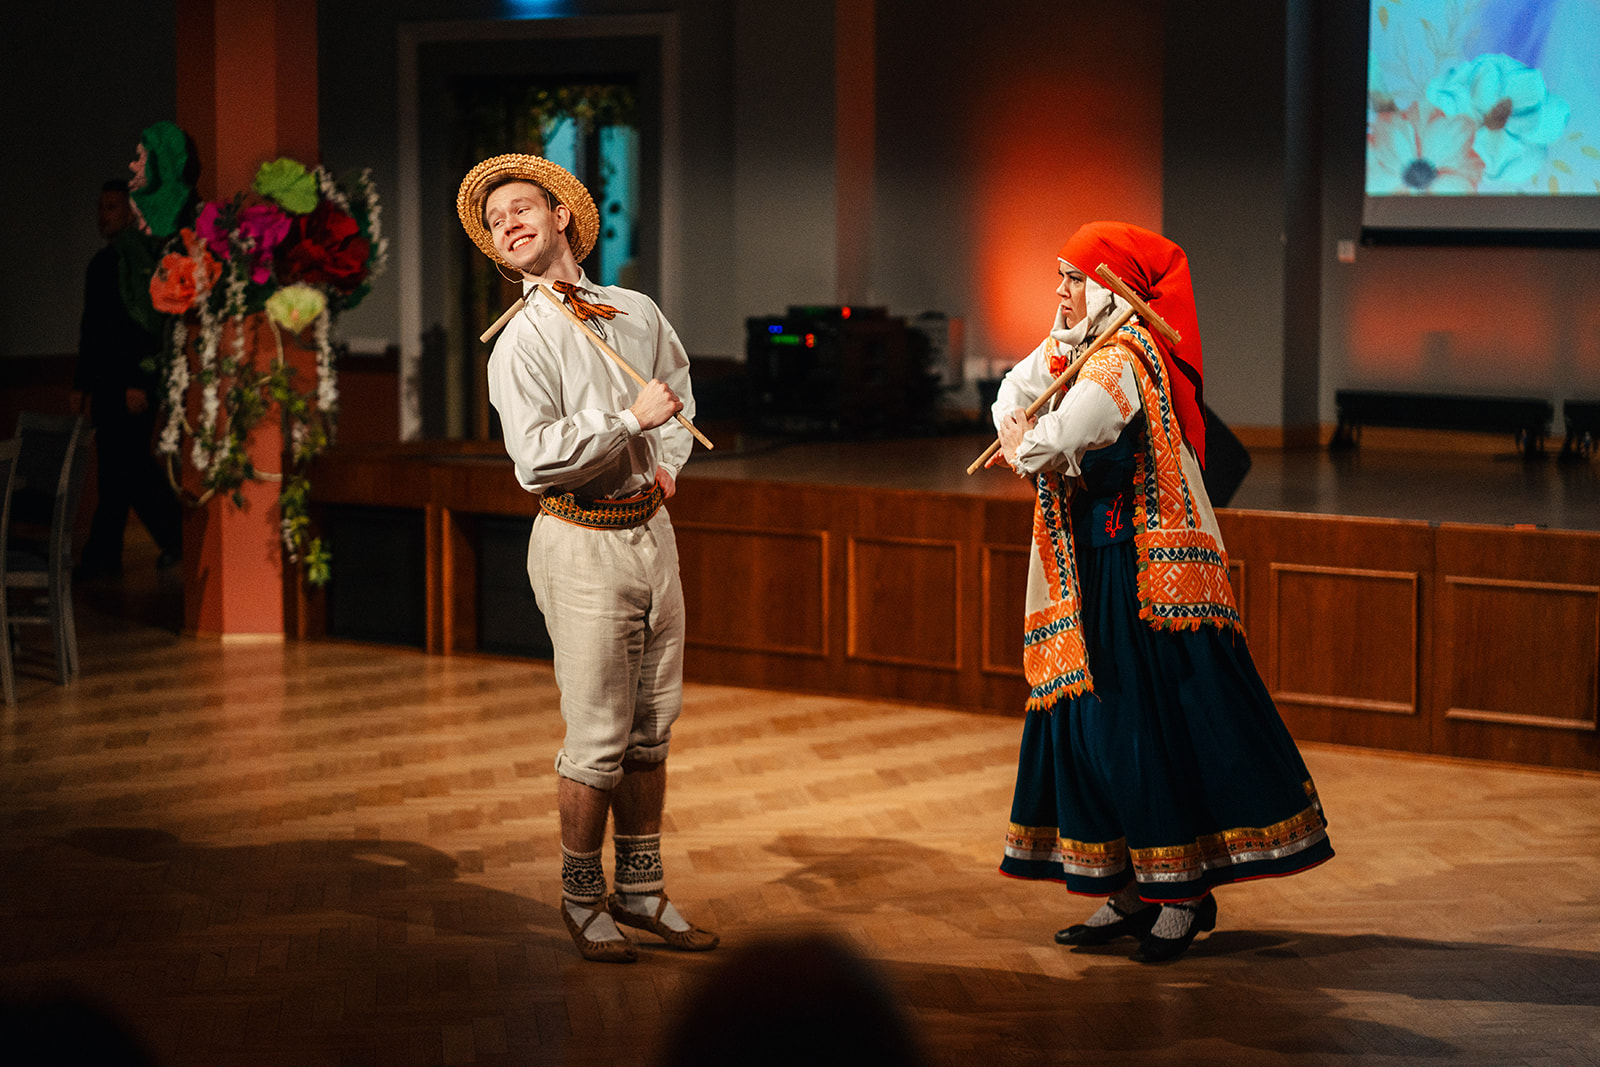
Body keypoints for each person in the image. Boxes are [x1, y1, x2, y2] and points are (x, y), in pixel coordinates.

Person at [988, 221, 1333, 963]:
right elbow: (1014, 388)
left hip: (1135, 576)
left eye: (1074, 279)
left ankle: (1180, 894)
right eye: (1060, 275)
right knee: (1094, 732)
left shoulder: (1121, 358)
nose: (1060, 292)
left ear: (1109, 288)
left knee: (1137, 730)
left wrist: (1022, 443)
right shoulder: (1078, 347)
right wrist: (1021, 427)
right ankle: (1128, 887)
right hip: (1091, 567)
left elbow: (1056, 442)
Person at [456, 154, 717, 963]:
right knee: (599, 734)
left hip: (651, 532)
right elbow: (535, 458)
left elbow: (677, 391)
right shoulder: (520, 340)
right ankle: (580, 897)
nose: (508, 224)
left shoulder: (635, 309)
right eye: (495, 221)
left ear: (561, 214)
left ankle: (640, 888)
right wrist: (630, 423)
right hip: (579, 539)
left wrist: (667, 458)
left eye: (520, 208)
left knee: (652, 727)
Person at [73, 179, 183, 579]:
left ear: (131, 213)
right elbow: (93, 330)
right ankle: (112, 554)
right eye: (101, 207)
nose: (103, 215)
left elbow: (144, 325)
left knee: (129, 466)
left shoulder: (139, 261)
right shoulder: (102, 263)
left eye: (112, 207)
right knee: (118, 469)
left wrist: (138, 381)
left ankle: (168, 538)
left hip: (131, 384)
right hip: (108, 384)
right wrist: (82, 384)